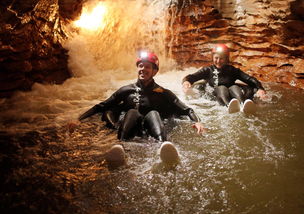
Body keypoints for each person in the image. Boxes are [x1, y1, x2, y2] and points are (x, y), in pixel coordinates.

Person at [69, 51, 205, 167]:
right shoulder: (126, 90)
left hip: (152, 129)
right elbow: (102, 106)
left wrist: (197, 121)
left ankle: (163, 148)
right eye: (140, 66)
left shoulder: (163, 92)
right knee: (132, 112)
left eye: (147, 67)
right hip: (131, 129)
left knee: (153, 113)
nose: (143, 69)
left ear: (154, 71)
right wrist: (78, 119)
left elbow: (187, 110)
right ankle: (120, 148)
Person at [182, 44, 267, 114]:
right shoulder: (207, 70)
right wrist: (186, 81)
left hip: (232, 94)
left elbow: (249, 79)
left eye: (221, 58)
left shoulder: (232, 70)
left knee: (234, 87)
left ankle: (242, 105)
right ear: (213, 58)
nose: (218, 61)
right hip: (215, 94)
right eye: (216, 58)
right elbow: (192, 77)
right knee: (221, 88)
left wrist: (260, 89)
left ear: (226, 59)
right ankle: (228, 106)